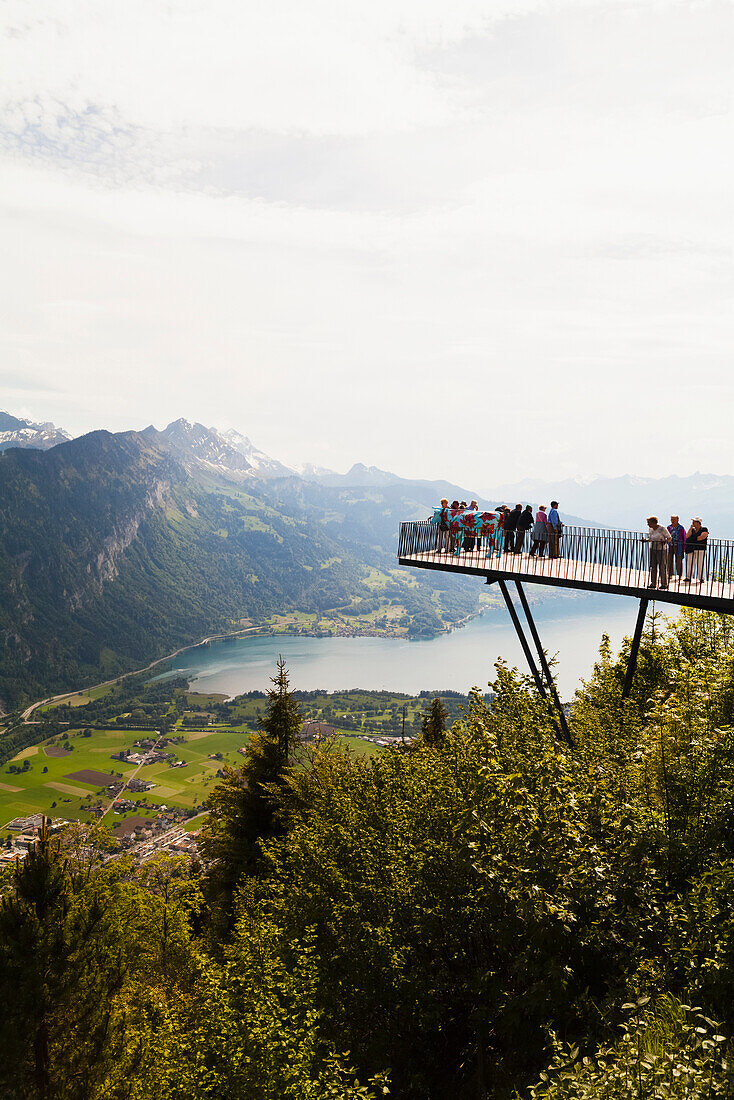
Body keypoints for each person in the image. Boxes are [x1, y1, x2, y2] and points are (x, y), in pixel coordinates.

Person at [645, 516, 671, 590]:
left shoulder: (662, 529)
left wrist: (664, 541)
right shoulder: (650, 529)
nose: (648, 524)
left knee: (662, 566)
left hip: (662, 550)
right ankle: (653, 583)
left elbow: (669, 538)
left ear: (653, 523)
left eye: (649, 523)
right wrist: (646, 540)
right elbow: (650, 538)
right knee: (653, 567)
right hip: (653, 548)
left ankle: (664, 584)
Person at [683, 517, 708, 584]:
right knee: (690, 563)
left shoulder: (704, 529)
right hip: (692, 549)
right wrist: (691, 528)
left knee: (700, 563)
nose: (693, 523)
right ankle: (688, 577)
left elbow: (702, 537)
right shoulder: (693, 530)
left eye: (694, 522)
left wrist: (691, 539)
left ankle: (701, 578)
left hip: (701, 549)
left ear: (698, 523)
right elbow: (687, 536)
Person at [667, 515, 685, 581]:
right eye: (671, 519)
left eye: (674, 519)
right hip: (670, 545)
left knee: (679, 560)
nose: (672, 521)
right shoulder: (669, 527)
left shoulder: (681, 528)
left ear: (678, 519)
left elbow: (684, 537)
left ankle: (680, 575)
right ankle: (669, 574)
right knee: (669, 560)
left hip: (678, 546)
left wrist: (684, 547)